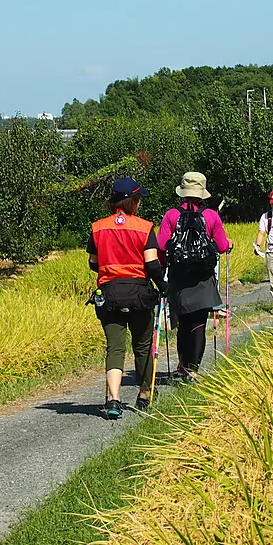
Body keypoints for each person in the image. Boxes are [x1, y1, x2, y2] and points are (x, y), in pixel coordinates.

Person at [87, 177, 167, 419]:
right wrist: (164, 286)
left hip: (109, 294)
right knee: (142, 346)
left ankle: (113, 399)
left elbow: (93, 263)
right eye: (138, 199)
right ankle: (144, 393)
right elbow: (152, 264)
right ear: (133, 201)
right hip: (139, 294)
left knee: (115, 347)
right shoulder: (145, 227)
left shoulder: (98, 227)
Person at [157, 172, 232, 384]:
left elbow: (161, 245)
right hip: (203, 277)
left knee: (183, 322)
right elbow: (221, 245)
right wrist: (229, 244)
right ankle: (193, 369)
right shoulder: (211, 216)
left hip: (179, 277)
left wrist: (162, 270)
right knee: (199, 322)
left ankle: (183, 365)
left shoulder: (171, 215)